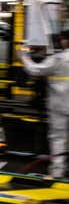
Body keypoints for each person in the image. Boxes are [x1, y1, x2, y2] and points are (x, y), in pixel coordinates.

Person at [21, 29, 69, 178]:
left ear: (65, 41)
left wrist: (24, 55)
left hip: (59, 105)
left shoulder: (59, 59)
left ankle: (58, 172)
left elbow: (34, 70)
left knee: (58, 138)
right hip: (60, 104)